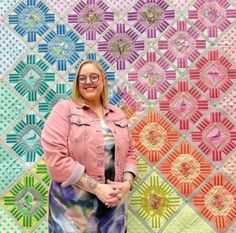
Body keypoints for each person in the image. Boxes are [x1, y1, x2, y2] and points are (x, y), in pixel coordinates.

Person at [41, 60, 138, 233]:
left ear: (103, 80)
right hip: (72, 208)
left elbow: (130, 151)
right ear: (77, 84)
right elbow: (56, 160)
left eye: (94, 77)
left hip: (113, 206)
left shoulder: (118, 114)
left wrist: (126, 183)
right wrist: (98, 188)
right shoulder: (64, 110)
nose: (88, 81)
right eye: (82, 78)